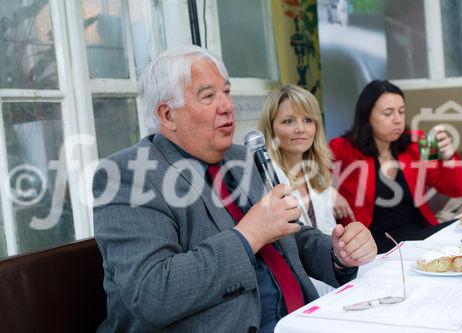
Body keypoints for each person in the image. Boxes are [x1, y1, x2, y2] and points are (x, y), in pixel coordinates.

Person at [92, 45, 377, 333]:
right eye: (208, 96)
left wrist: (337, 254)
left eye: (226, 92)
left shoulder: (240, 158)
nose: (227, 106)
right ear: (167, 115)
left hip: (302, 320)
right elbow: (154, 293)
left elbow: (288, 238)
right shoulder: (129, 174)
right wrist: (249, 235)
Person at [329, 80, 462, 253]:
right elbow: (310, 178)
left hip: (421, 235)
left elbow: (455, 189)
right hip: (373, 245)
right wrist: (330, 192)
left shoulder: (419, 140)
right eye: (388, 113)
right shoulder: (341, 147)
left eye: (401, 112)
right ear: (367, 117)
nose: (397, 120)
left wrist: (448, 157)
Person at [259, 84, 356, 296]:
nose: (300, 128)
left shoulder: (317, 172)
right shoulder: (263, 179)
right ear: (271, 128)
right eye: (288, 121)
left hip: (333, 284)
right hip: (295, 294)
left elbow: (330, 235)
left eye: (308, 120)